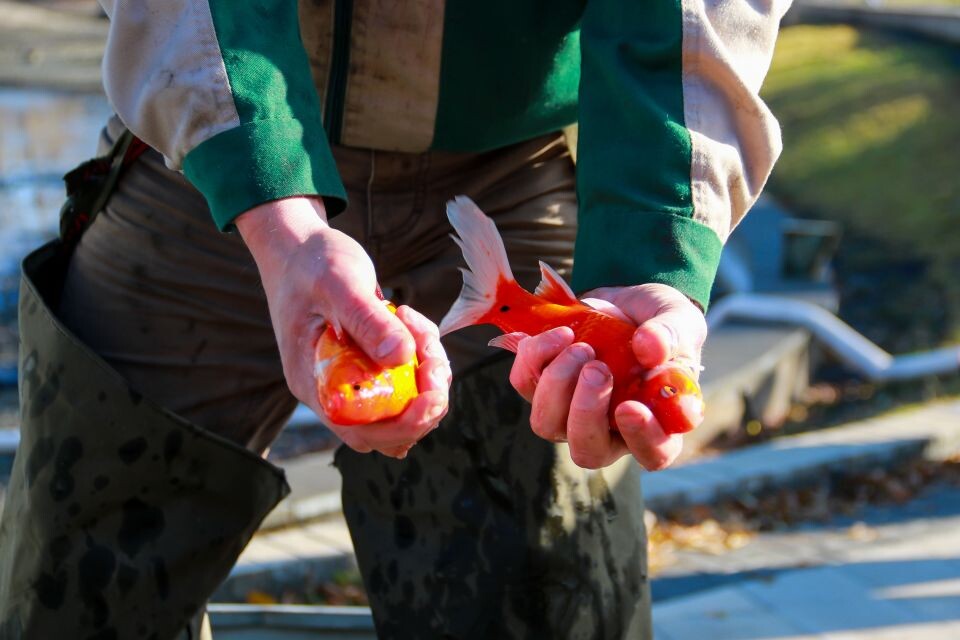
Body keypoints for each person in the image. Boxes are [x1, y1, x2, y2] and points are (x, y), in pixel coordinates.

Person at [0, 1, 790, 638]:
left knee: (555, 591)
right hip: (218, 158)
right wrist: (281, 226)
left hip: (509, 159)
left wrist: (657, 258)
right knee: (77, 584)